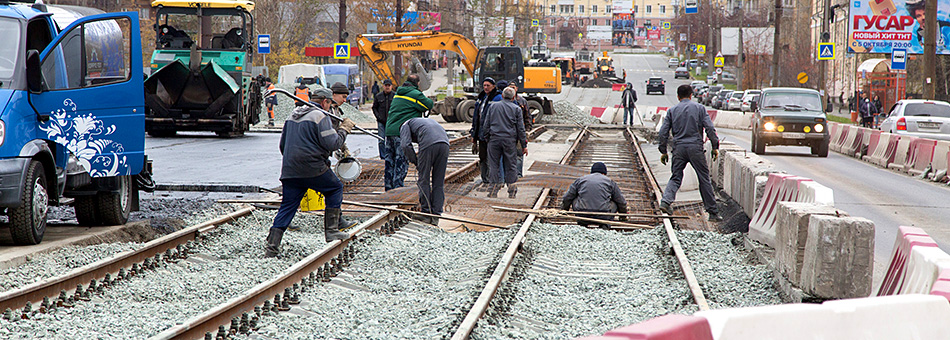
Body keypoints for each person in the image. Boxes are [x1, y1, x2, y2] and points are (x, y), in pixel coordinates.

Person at [264, 88, 358, 257]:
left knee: (288, 205)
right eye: (329, 104)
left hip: (290, 169)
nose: (329, 108)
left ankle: (272, 246)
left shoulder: (292, 115)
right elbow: (333, 143)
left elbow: (282, 146)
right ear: (325, 102)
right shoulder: (320, 116)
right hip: (312, 167)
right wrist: (344, 129)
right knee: (335, 188)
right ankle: (332, 231)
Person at [657, 84, 721, 222]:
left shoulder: (672, 111)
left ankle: (666, 202)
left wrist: (663, 151)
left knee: (676, 177)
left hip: (678, 148)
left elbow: (663, 133)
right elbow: (710, 128)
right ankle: (713, 213)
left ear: (678, 96)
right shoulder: (699, 109)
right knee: (704, 178)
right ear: (691, 95)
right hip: (695, 148)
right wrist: (715, 146)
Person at [385, 75, 433, 191]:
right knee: (401, 160)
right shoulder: (415, 94)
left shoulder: (398, 93)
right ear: (417, 83)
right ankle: (397, 188)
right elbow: (429, 104)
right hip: (401, 132)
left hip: (389, 131)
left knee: (389, 160)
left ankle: (388, 188)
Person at [400, 118, 450, 225]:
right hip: (445, 144)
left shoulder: (404, 125)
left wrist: (415, 161)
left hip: (429, 143)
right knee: (438, 182)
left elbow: (405, 145)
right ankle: (436, 214)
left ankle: (426, 213)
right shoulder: (421, 122)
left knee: (424, 179)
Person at [481, 87, 527, 198]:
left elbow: (486, 124)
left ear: (502, 96)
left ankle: (493, 191)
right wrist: (523, 145)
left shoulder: (493, 106)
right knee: (511, 165)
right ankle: (512, 190)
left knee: (494, 165)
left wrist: (487, 138)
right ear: (513, 97)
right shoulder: (516, 109)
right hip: (509, 141)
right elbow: (520, 128)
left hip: (494, 140)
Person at [560, 162, 629, 228]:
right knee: (615, 203)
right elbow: (621, 201)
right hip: (603, 216)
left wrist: (564, 210)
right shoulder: (610, 182)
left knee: (574, 199)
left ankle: (582, 224)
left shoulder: (580, 180)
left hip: (582, 215)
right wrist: (623, 216)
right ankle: (605, 225)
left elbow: (567, 197)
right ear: (604, 173)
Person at [471, 77, 500, 188]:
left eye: (488, 85)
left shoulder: (497, 98)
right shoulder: (481, 98)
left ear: (493, 86)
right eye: (484, 86)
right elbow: (476, 117)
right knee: (482, 157)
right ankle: (485, 180)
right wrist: (474, 134)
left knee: (492, 158)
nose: (486, 88)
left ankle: (493, 181)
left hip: (492, 134)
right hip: (481, 134)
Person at [507, 83, 531, 178]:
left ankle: (519, 175)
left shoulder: (522, 101)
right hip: (509, 133)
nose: (511, 89)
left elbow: (527, 116)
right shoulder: (505, 101)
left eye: (513, 88)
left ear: (516, 88)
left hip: (519, 133)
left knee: (519, 154)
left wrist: (527, 130)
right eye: (510, 88)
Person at [372, 79, 395, 161]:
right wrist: (378, 117)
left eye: (389, 85)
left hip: (391, 122)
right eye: (386, 85)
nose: (387, 87)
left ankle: (390, 156)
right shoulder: (378, 96)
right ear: (383, 86)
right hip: (381, 122)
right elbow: (374, 108)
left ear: (391, 86)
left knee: (391, 140)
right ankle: (383, 157)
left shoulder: (395, 96)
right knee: (381, 140)